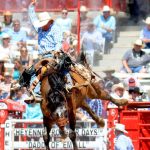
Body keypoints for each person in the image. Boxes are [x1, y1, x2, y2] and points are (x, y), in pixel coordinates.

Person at [15, 0, 72, 103]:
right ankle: (34, 93)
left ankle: (69, 83)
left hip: (53, 54)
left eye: (44, 23)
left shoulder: (55, 29)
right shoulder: (40, 29)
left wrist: (56, 51)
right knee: (31, 72)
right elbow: (33, 19)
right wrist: (31, 8)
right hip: (42, 56)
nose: (42, 25)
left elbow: (59, 42)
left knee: (64, 64)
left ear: (49, 22)